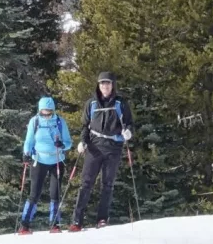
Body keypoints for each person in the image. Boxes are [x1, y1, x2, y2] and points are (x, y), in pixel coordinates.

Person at [70, 71, 134, 231]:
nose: (105, 86)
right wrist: (83, 141)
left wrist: (128, 132)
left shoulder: (120, 103)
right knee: (86, 183)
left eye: (108, 83)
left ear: (113, 85)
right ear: (98, 86)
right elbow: (86, 126)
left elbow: (129, 122)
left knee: (107, 184)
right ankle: (77, 220)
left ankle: (102, 219)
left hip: (113, 147)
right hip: (94, 146)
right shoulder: (91, 104)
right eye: (102, 83)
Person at [19, 96, 72, 233]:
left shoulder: (60, 122)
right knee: (34, 193)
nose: (46, 114)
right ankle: (25, 224)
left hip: (57, 160)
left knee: (55, 193)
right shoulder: (35, 121)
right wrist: (26, 153)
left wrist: (62, 145)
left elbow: (68, 142)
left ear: (53, 110)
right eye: (44, 112)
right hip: (39, 160)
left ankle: (55, 223)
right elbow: (29, 140)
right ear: (40, 110)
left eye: (49, 112)